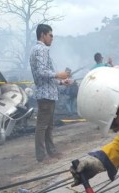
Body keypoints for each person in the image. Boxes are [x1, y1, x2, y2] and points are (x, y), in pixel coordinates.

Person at [29, 24, 71, 164]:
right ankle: (42, 156)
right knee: (42, 126)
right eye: (50, 35)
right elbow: (42, 72)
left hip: (48, 93)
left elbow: (45, 77)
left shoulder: (39, 49)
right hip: (45, 95)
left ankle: (51, 152)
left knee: (48, 125)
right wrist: (58, 74)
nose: (52, 38)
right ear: (43, 35)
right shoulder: (41, 49)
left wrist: (60, 82)